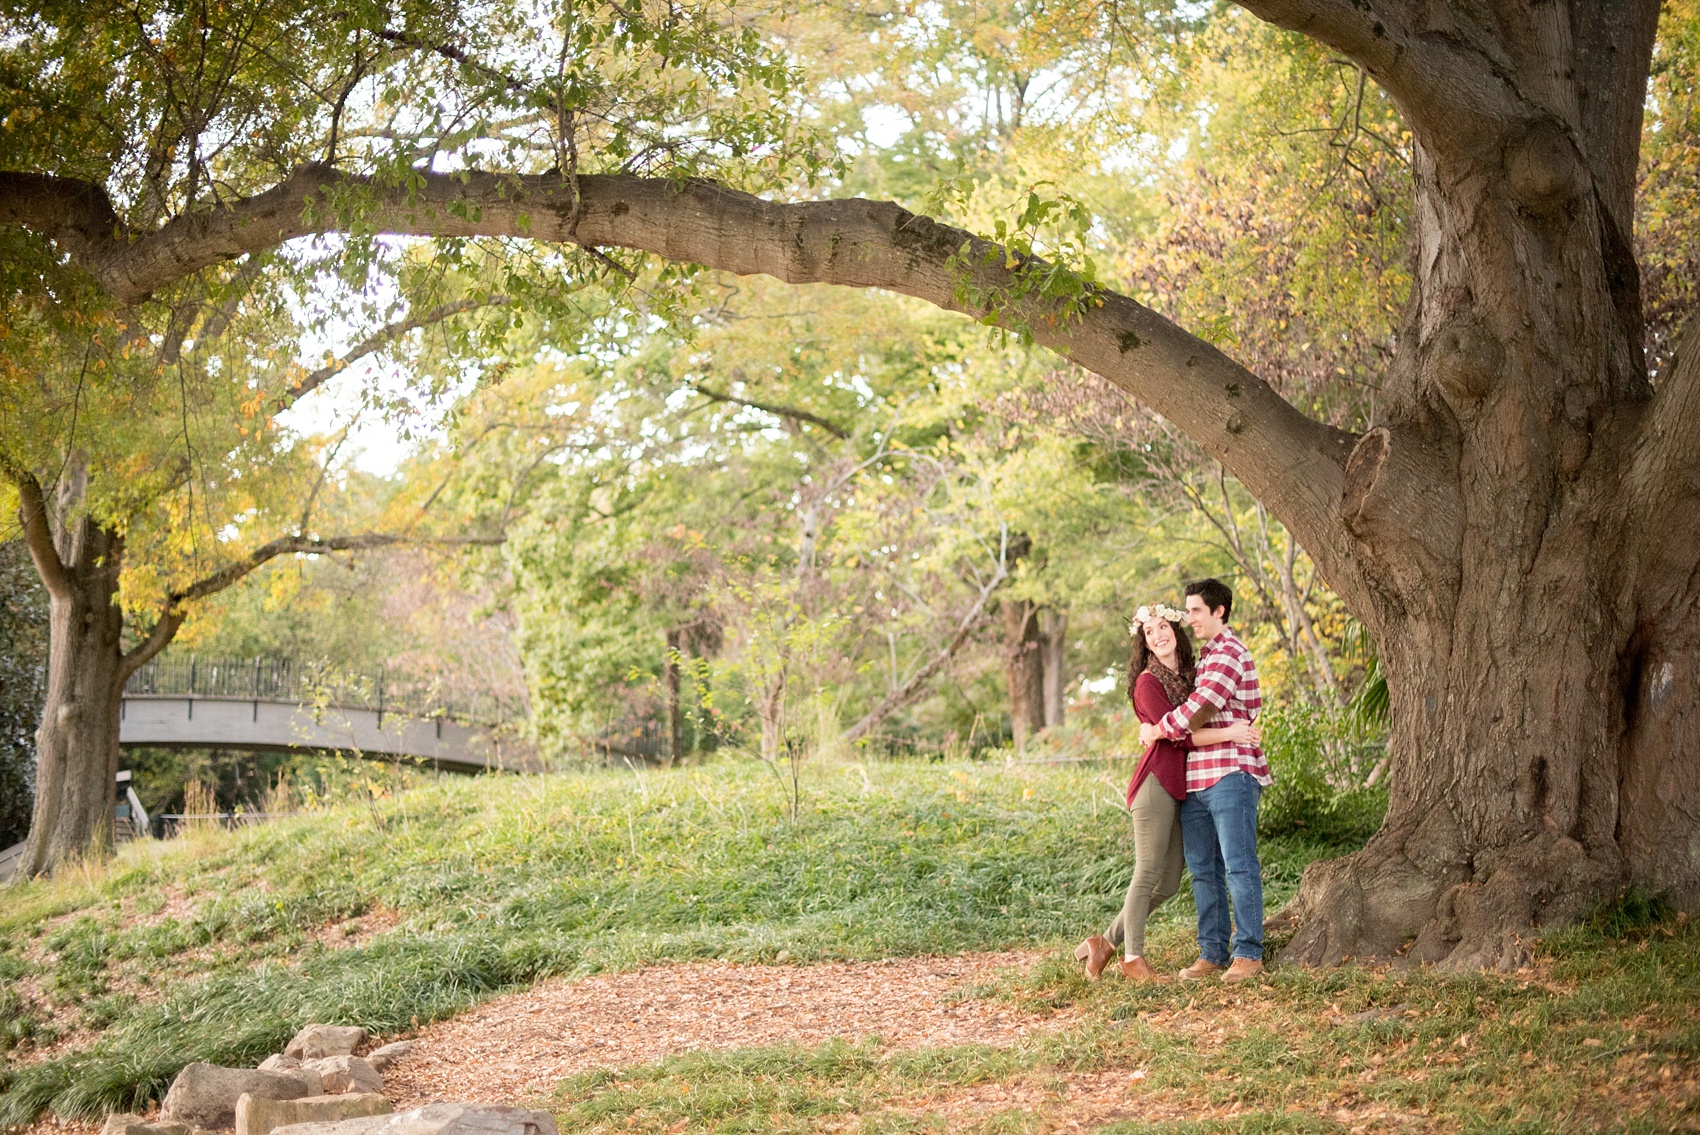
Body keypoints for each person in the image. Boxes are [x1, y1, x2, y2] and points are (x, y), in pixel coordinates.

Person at [1075, 604, 1259, 982]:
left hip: (1182, 786)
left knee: (1171, 880)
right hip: (1155, 784)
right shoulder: (1148, 682)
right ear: (1143, 644)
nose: (1158, 635)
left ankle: (1104, 943)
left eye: (1164, 626)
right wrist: (1231, 733)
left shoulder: (1191, 675)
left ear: (1176, 629)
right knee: (1147, 873)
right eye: (1149, 632)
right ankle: (1133, 959)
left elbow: (1200, 714)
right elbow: (1183, 735)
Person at [1139, 578, 1271, 984]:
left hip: (1231, 773)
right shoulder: (1204, 659)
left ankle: (1248, 953)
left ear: (1219, 612)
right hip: (1196, 778)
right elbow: (1196, 725)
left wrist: (1158, 729)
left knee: (1238, 865)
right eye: (1189, 610)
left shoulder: (1229, 653)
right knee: (1203, 870)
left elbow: (1201, 708)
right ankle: (1212, 952)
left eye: (1196, 610)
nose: (1189, 618)